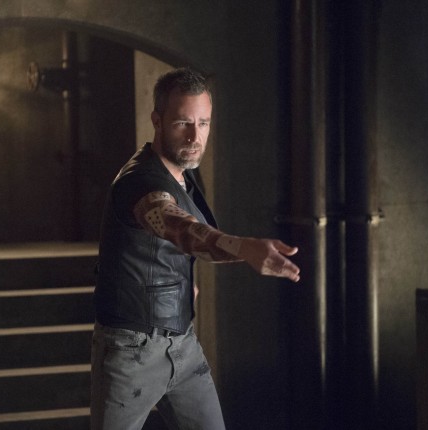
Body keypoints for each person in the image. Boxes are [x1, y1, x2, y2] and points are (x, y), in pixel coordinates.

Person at [91, 67, 300, 430]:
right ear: (157, 121)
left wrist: (184, 285)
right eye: (183, 123)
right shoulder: (140, 182)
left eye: (203, 123)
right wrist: (245, 248)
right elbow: (177, 225)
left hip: (182, 343)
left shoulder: (182, 172)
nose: (195, 136)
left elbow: (171, 248)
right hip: (132, 350)